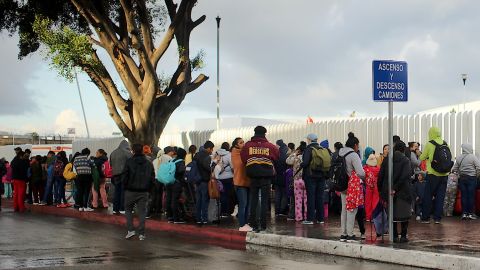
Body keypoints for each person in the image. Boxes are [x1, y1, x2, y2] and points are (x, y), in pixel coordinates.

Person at [241, 126, 279, 233]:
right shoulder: (270, 146)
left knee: (253, 200)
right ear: (265, 134)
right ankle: (263, 225)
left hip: (253, 176)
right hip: (266, 176)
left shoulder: (247, 146)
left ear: (254, 133)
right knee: (264, 201)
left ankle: (253, 224)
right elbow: (276, 156)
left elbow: (243, 159)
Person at [379, 141, 412, 243]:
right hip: (403, 192)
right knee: (404, 215)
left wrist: (381, 190)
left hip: (388, 192)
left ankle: (393, 236)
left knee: (392, 214)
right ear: (403, 149)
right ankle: (403, 236)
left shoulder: (387, 159)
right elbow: (405, 176)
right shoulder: (406, 160)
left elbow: (381, 176)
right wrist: (396, 188)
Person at [122, 143, 155, 241]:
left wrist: (125, 187)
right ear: (142, 150)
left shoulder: (129, 162)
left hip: (130, 190)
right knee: (142, 212)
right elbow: (152, 178)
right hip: (144, 191)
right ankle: (141, 233)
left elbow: (125, 177)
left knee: (128, 210)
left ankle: (131, 230)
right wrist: (149, 189)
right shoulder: (149, 163)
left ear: (133, 150)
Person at [419, 127, 451, 224]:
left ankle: (425, 217)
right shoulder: (445, 143)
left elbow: (422, 157)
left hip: (433, 174)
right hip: (444, 174)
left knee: (428, 196)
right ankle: (437, 218)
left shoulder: (430, 143)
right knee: (440, 197)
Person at [339, 132, 365, 242]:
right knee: (352, 209)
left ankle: (343, 233)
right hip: (351, 186)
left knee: (344, 209)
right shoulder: (353, 155)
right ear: (355, 145)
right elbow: (361, 172)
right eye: (358, 146)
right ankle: (350, 234)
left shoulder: (339, 152)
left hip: (341, 185)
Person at [300, 134, 329, 225]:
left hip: (311, 176)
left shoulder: (309, 149)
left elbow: (305, 163)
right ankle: (321, 219)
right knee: (320, 197)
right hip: (322, 176)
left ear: (309, 140)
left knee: (311, 197)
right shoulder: (322, 149)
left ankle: (310, 219)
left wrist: (301, 164)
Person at [452, 143, 480, 220]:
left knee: (464, 196)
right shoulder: (473, 157)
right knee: (471, 196)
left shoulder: (459, 157)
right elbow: (478, 167)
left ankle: (464, 213)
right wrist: (476, 176)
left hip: (462, 179)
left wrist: (458, 174)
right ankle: (470, 214)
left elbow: (454, 169)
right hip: (472, 178)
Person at [231, 138, 251, 231]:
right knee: (243, 204)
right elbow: (240, 164)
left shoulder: (245, 152)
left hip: (248, 182)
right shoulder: (235, 152)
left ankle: (246, 223)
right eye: (241, 143)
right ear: (236, 145)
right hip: (239, 182)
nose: (243, 144)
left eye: (243, 142)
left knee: (248, 204)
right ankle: (242, 224)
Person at [194, 141, 215, 224]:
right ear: (209, 148)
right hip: (204, 180)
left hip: (197, 180)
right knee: (205, 200)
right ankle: (204, 218)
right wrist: (214, 164)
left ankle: (198, 218)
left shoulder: (197, 155)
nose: (212, 151)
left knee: (198, 200)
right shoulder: (206, 156)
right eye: (212, 149)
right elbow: (208, 168)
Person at [110, 140, 132, 214]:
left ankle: (115, 208)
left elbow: (110, 164)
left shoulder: (113, 153)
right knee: (123, 192)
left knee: (117, 191)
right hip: (124, 174)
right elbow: (131, 162)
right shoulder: (127, 152)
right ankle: (122, 208)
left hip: (115, 174)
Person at [287, 144, 307, 222]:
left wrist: (294, 153)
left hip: (297, 181)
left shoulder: (295, 158)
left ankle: (298, 217)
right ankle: (307, 217)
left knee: (298, 200)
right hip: (306, 181)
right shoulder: (307, 157)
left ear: (299, 151)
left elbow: (287, 161)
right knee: (306, 200)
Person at [213, 142, 234, 217]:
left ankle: (221, 211)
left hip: (218, 178)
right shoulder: (229, 155)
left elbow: (212, 164)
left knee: (221, 195)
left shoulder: (216, 154)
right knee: (228, 195)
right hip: (228, 178)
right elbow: (232, 166)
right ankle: (226, 211)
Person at [169, 148, 187, 224]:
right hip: (177, 183)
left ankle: (171, 217)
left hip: (169, 182)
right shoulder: (181, 162)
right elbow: (181, 171)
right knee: (175, 201)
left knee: (170, 199)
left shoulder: (172, 160)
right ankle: (176, 218)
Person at [274, 139, 289, 216]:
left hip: (277, 177)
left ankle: (277, 211)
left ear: (278, 145)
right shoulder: (287, 153)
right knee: (284, 194)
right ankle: (282, 211)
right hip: (285, 177)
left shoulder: (276, 154)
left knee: (278, 194)